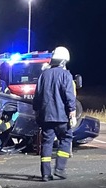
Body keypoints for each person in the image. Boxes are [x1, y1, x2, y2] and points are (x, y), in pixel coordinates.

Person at [32, 45, 76, 180]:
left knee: (47, 143)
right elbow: (69, 95)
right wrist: (72, 111)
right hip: (62, 116)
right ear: (63, 61)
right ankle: (60, 169)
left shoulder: (43, 75)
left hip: (46, 116)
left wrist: (37, 111)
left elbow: (37, 95)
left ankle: (45, 174)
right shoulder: (65, 75)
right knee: (66, 139)